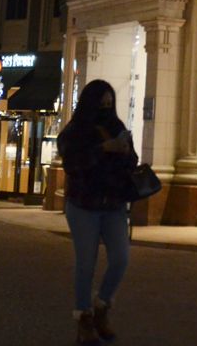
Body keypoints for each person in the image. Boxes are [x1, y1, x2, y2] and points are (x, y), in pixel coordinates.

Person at [58, 80, 138, 344]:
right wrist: (104, 148)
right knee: (86, 263)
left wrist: (126, 151)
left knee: (121, 258)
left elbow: (131, 162)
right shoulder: (75, 131)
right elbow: (72, 164)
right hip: (84, 205)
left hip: (113, 203)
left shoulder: (117, 127)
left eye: (109, 103)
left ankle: (102, 305)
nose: (106, 108)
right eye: (101, 103)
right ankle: (84, 318)